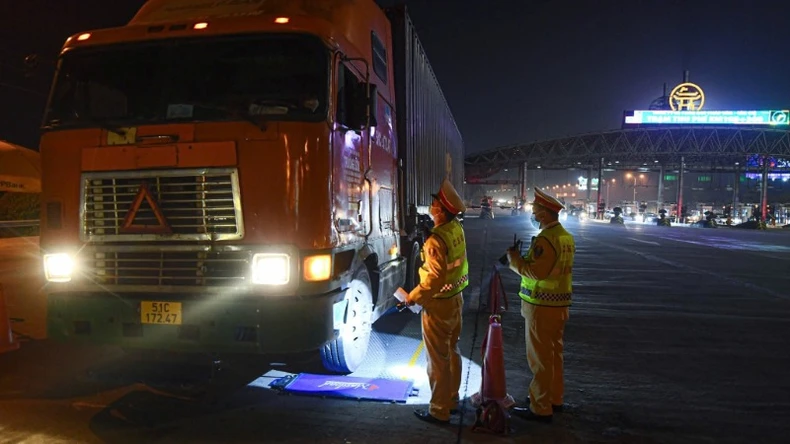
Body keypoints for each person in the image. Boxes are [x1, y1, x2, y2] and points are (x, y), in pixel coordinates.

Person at [505, 186, 576, 423]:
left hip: (542, 306)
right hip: (559, 304)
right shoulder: (564, 237)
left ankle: (540, 406)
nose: (533, 214)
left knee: (540, 359)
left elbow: (536, 273)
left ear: (545, 214)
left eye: (535, 211)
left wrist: (514, 260)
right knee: (554, 355)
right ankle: (554, 399)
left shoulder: (547, 238)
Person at [402, 178, 469, 425]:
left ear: (441, 210)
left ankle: (439, 410)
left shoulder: (435, 240)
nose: (430, 208)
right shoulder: (456, 230)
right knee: (452, 351)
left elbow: (433, 279)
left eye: (433, 205)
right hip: (456, 300)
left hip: (439, 303)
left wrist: (412, 297)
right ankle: (451, 399)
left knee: (437, 358)